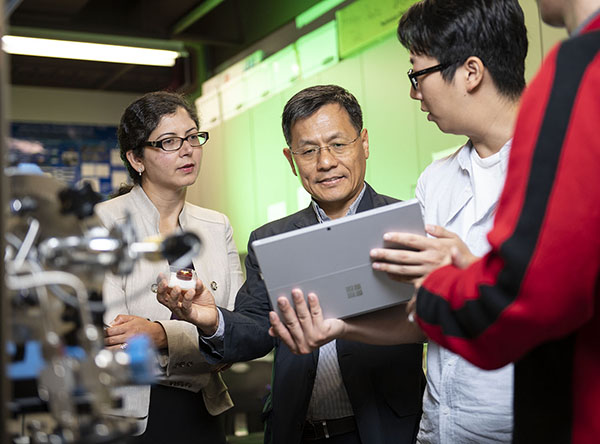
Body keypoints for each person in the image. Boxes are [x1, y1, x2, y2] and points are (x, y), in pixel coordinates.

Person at [271, 0, 600, 443]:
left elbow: (543, 300)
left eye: (417, 74)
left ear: (469, 72)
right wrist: (346, 328)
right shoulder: (435, 181)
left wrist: (473, 272)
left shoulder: (563, 148)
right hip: (440, 427)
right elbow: (426, 314)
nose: (414, 92)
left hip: (523, 425)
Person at [158, 85, 426, 444]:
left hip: (386, 431)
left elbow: (431, 319)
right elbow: (256, 329)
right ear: (290, 158)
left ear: (363, 143)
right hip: (298, 432)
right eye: (309, 150)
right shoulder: (270, 240)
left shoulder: (405, 225)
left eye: (338, 144)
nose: (325, 161)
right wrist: (212, 320)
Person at [96, 91, 244, 443]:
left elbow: (236, 335)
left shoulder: (216, 225)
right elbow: (115, 337)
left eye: (193, 136)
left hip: (202, 411)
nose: (187, 149)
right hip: (130, 417)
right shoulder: (102, 223)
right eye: (169, 141)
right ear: (136, 158)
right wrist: (205, 341)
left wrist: (158, 334)